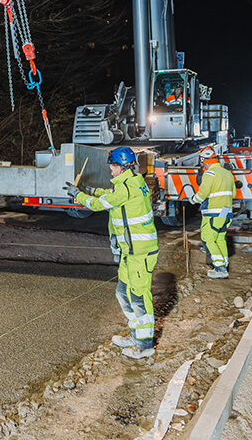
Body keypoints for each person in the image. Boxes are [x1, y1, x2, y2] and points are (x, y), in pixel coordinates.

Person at [66, 147, 159, 359]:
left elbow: (100, 205)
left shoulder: (127, 186)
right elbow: (110, 195)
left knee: (138, 296)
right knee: (123, 292)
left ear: (120, 166)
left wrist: (78, 195)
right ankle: (135, 336)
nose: (110, 168)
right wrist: (90, 189)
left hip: (139, 252)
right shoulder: (131, 181)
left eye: (112, 165)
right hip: (131, 251)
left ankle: (144, 345)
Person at [190, 146, 235, 279]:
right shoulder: (227, 173)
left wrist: (193, 199)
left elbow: (203, 193)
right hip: (226, 212)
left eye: (203, 162)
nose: (203, 165)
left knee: (208, 238)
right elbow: (234, 193)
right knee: (220, 238)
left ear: (206, 161)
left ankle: (220, 268)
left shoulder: (210, 173)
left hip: (214, 212)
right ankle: (224, 265)